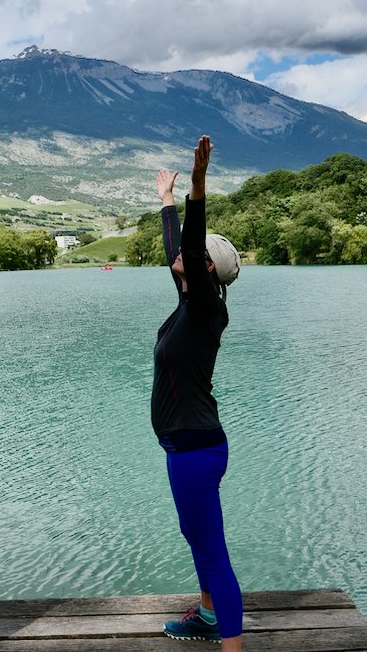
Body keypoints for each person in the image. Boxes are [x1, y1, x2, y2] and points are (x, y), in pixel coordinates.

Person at [153, 136, 244, 651]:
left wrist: (197, 185)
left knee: (213, 554)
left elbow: (187, 247)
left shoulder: (206, 308)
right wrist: (167, 201)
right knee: (198, 539)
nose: (183, 258)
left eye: (195, 256)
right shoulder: (190, 304)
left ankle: (229, 642)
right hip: (182, 445)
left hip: (196, 449)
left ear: (207, 270)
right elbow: (178, 251)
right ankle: (208, 618)